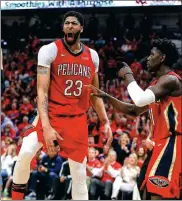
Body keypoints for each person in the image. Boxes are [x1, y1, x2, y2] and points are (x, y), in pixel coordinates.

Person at [11, 11, 113, 200]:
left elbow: (95, 94)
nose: (69, 26)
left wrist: (105, 121)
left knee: (79, 173)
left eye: (74, 23)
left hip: (76, 120)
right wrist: (47, 127)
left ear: (81, 28)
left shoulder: (93, 56)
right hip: (50, 114)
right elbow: (41, 91)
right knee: (25, 152)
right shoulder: (49, 50)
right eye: (67, 23)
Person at [88, 38, 182, 199]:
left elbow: (139, 100)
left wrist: (128, 75)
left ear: (162, 57)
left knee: (158, 195)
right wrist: (106, 96)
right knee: (144, 191)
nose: (148, 59)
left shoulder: (171, 80)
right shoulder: (156, 84)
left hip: (171, 144)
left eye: (152, 55)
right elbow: (133, 110)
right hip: (158, 145)